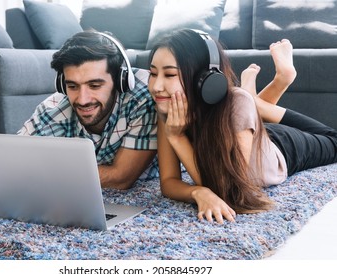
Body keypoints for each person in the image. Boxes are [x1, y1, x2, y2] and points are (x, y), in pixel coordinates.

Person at [147, 29, 337, 224]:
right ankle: (253, 99)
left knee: (333, 139)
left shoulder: (235, 104)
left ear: (203, 78)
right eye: (153, 73)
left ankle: (276, 83)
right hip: (246, 132)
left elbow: (229, 190)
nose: (156, 86)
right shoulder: (167, 108)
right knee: (244, 104)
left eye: (169, 75)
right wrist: (198, 192)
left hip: (281, 148)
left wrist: (177, 137)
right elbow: (168, 182)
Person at [18, 31, 158, 190]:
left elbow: (121, 178)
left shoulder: (145, 96)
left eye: (94, 86)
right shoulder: (52, 110)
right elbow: (16, 167)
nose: (83, 100)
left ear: (120, 81)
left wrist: (47, 174)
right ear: (62, 85)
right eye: (73, 86)